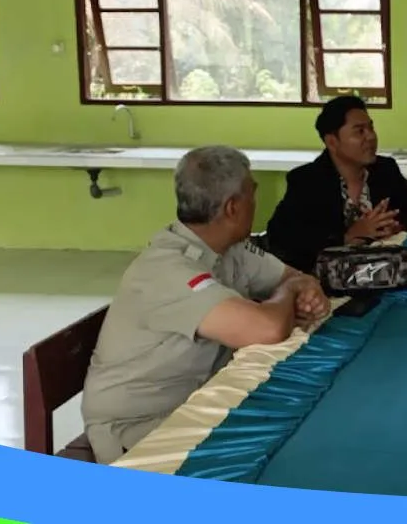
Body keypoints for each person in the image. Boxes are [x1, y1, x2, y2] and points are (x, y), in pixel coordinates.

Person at [81, 146, 331, 465]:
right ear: (232, 208)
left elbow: (291, 277)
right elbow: (267, 329)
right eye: (252, 194)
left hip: (200, 405)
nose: (256, 203)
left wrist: (304, 286)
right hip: (143, 428)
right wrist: (291, 293)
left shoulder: (228, 248)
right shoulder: (169, 269)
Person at [264, 95, 407, 273]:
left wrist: (395, 224)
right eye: (359, 131)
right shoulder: (307, 181)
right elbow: (282, 240)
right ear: (332, 142)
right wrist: (349, 236)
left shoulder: (384, 170)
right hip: (329, 282)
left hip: (382, 273)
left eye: (371, 128)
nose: (370, 137)